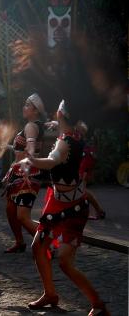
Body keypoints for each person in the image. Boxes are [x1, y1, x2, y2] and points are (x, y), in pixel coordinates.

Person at [21, 100, 110, 315]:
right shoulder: (74, 133)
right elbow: (62, 131)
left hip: (73, 208)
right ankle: (50, 294)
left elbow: (52, 160)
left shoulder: (65, 142)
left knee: (64, 262)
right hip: (57, 203)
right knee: (38, 246)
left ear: (60, 114)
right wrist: (54, 124)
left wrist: (31, 160)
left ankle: (98, 305)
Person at [3, 93, 46, 253]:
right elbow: (21, 150)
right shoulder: (34, 125)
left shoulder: (31, 126)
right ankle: (19, 242)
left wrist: (26, 172)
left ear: (36, 111)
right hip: (19, 172)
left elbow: (31, 149)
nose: (24, 107)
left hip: (27, 174)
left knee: (22, 215)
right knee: (10, 209)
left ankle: (47, 245)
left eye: (28, 105)